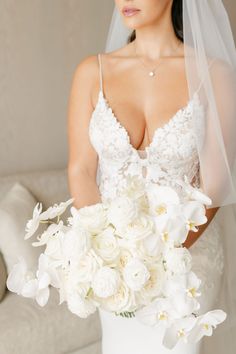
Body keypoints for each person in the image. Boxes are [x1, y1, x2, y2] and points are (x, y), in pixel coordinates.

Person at [67, 1, 236, 353]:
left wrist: (162, 257)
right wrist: (107, 254)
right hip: (115, 266)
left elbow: (215, 184)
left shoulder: (212, 73)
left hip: (186, 263)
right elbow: (81, 169)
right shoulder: (91, 71)